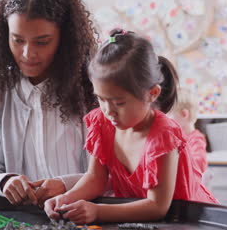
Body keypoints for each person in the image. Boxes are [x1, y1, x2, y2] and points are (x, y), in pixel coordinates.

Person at [44, 29, 217, 224]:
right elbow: (95, 178)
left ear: (152, 93)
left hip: (188, 221)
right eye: (101, 99)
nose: (109, 111)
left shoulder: (163, 134)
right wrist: (66, 199)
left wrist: (98, 211)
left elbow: (157, 206)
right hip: (141, 222)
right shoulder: (101, 122)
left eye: (119, 103)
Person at [0, 0, 99, 206]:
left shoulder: (93, 91)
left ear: (65, 39)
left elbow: (109, 176)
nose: (28, 54)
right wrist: (5, 182)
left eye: (42, 42)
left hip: (82, 215)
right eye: (18, 40)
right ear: (5, 36)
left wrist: (65, 184)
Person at [168, 88, 208, 176]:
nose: (166, 118)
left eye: (169, 113)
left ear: (184, 114)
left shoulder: (196, 139)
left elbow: (199, 163)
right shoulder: (176, 137)